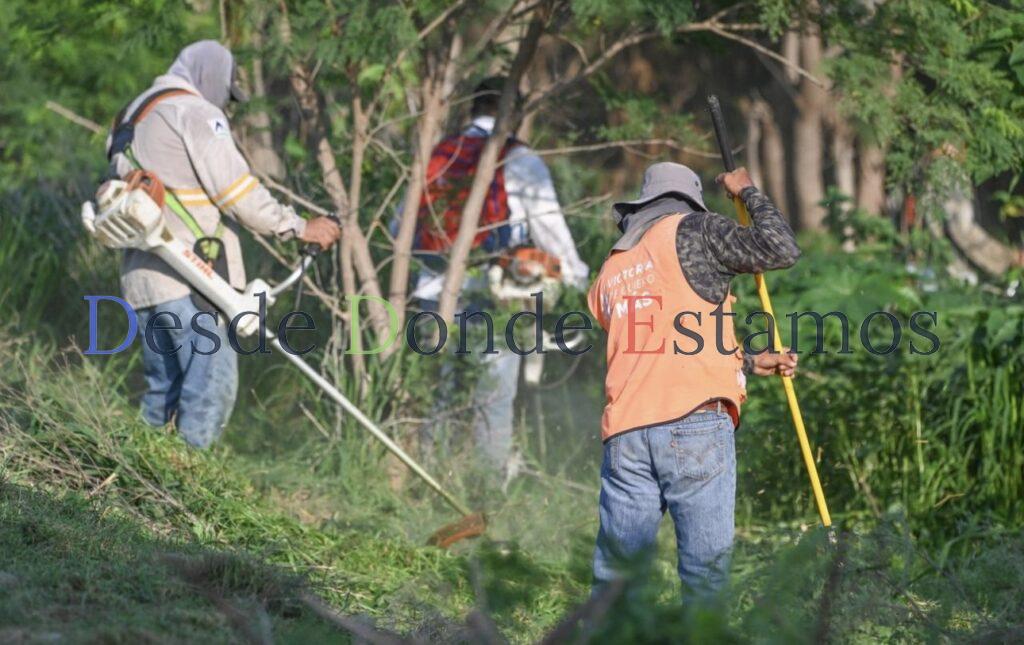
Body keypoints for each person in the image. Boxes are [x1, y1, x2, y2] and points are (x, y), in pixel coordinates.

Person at [106, 40, 340, 448]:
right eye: (227, 95)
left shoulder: (130, 117)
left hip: (143, 280)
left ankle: (134, 488)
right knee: (209, 392)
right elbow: (239, 195)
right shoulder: (195, 112)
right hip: (194, 280)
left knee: (163, 393)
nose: (226, 106)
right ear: (210, 76)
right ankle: (184, 491)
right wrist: (300, 226)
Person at [587, 162, 800, 596]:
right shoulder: (695, 231)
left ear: (642, 206)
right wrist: (748, 192)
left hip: (626, 435)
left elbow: (656, 349)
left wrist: (744, 363)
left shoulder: (610, 271)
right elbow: (781, 249)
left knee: (617, 587)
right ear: (689, 203)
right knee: (705, 582)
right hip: (695, 427)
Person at [413, 77, 589, 477]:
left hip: (431, 293)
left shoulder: (439, 154)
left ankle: (425, 483)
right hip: (490, 300)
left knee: (441, 396)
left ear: (471, 108)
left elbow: (400, 227)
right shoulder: (518, 159)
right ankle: (486, 494)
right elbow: (551, 230)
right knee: (492, 400)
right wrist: (578, 281)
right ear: (515, 114)